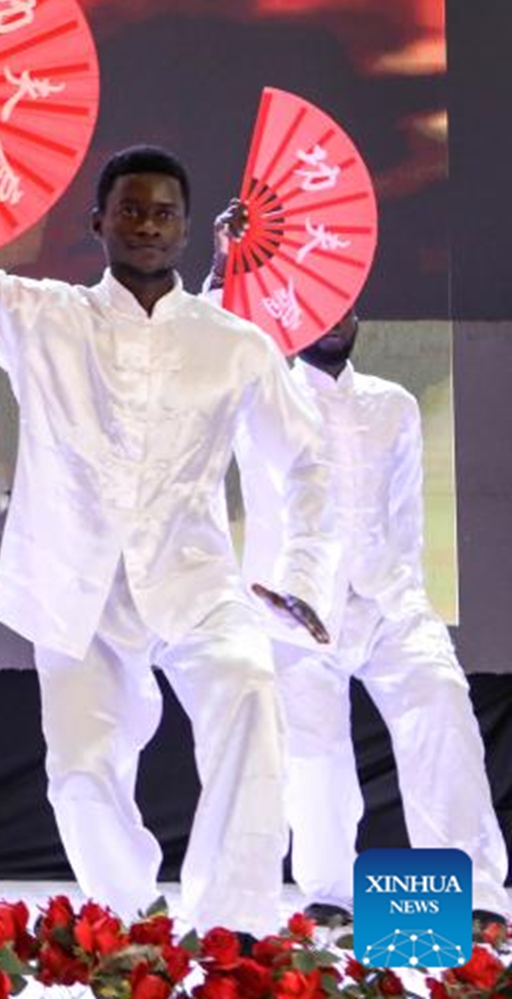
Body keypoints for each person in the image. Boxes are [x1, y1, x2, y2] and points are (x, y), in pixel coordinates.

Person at [0, 55, 335, 933]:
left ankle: (232, 929)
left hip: (196, 579)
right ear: (99, 222)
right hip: (75, 586)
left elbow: (307, 460)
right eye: (131, 210)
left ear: (187, 229)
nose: (147, 224)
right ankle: (130, 929)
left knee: (248, 688)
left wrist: (302, 574)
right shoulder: (41, 317)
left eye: (163, 213)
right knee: (81, 775)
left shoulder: (235, 343)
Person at [216, 281, 510, 939]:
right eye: (317, 309)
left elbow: (406, 513)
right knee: (313, 752)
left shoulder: (393, 404)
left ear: (359, 316)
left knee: (441, 707)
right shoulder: (259, 403)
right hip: (292, 611)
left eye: (343, 306)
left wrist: (400, 593)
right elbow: (215, 354)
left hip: (387, 601)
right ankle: (331, 893)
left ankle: (475, 896)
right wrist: (222, 280)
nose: (333, 319)